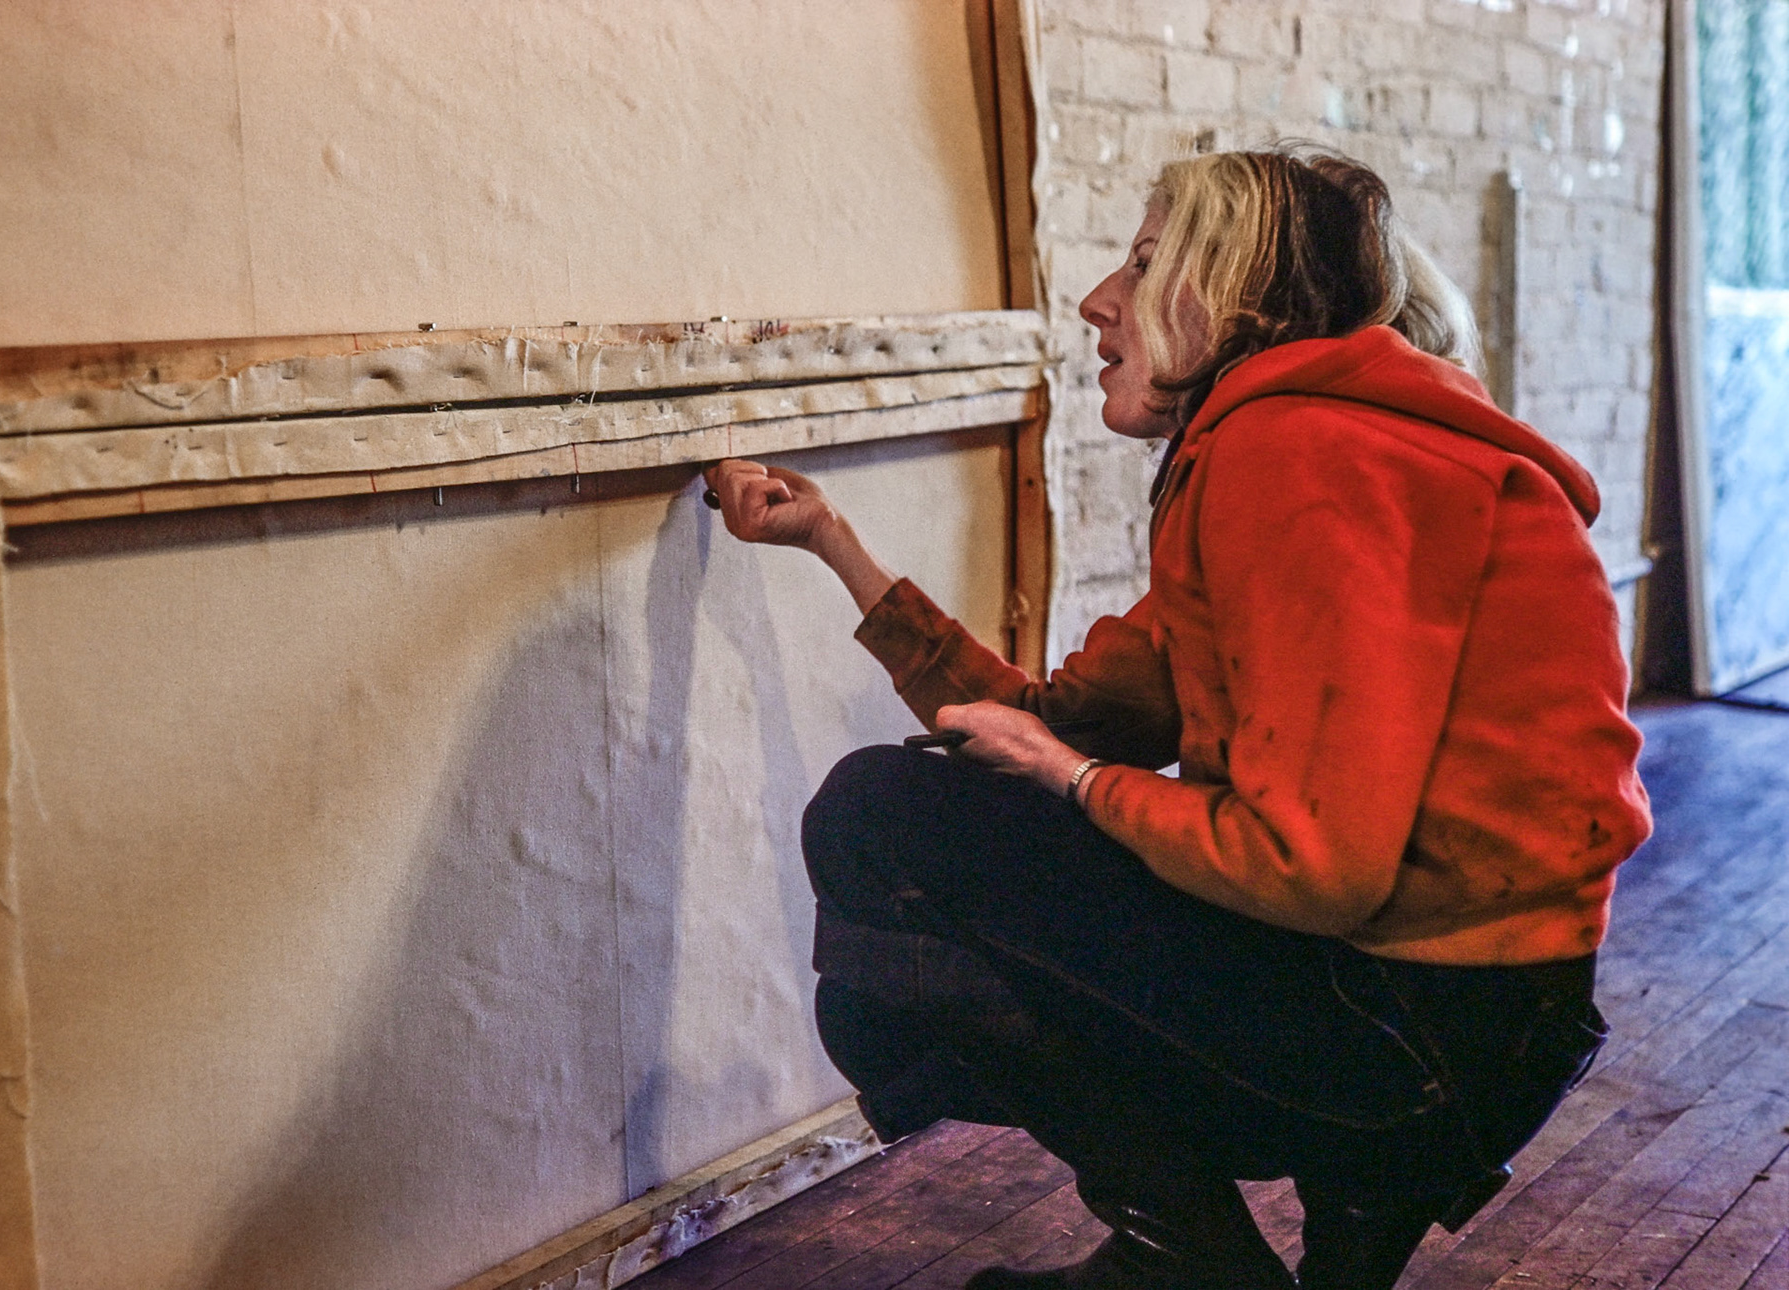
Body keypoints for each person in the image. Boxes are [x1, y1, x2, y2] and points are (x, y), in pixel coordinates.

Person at [701, 147, 1651, 1290]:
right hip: (1483, 1020)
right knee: (922, 888)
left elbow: (1311, 865)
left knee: (878, 825)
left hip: (1420, 1036)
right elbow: (1058, 721)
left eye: (1148, 262)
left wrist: (1074, 783)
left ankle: (1186, 1262)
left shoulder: (1294, 452)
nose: (1102, 299)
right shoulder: (1319, 444)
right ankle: (1291, 1240)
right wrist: (833, 544)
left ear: (1240, 301)